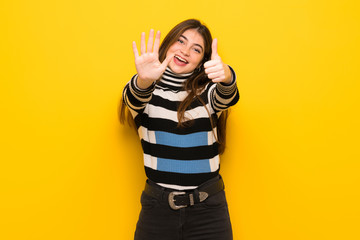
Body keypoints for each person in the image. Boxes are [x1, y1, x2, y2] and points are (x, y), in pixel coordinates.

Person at [119, 19, 239, 240]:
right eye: (180, 41)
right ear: (168, 44)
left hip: (209, 212)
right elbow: (132, 98)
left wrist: (227, 74)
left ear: (202, 61)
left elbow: (227, 95)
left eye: (196, 49)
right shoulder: (145, 92)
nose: (185, 51)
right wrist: (144, 80)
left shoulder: (208, 93)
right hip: (158, 211)